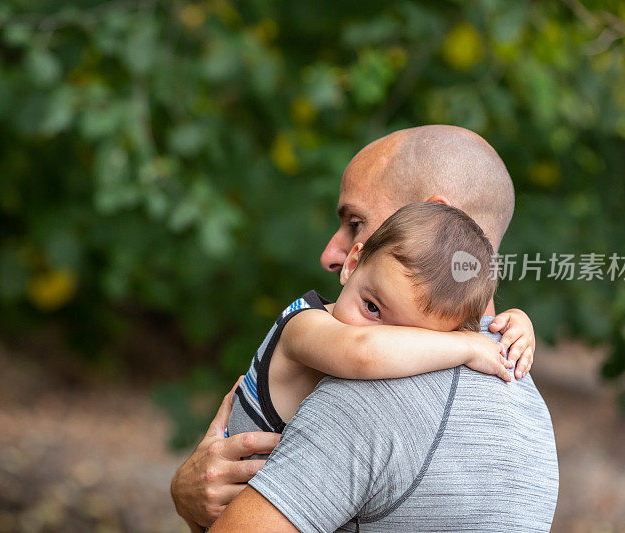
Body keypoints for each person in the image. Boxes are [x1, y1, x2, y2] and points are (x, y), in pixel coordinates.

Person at [172, 125, 558, 531]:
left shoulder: (369, 393)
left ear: (441, 218)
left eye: (356, 222)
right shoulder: (528, 408)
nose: (332, 254)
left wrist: (187, 503)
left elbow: (365, 352)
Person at [227, 202, 532, 443]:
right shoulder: (303, 325)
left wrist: (513, 326)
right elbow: (364, 351)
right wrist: (465, 345)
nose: (384, 338)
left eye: (409, 335)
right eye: (372, 307)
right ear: (352, 264)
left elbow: (483, 334)